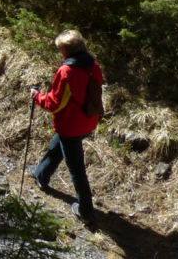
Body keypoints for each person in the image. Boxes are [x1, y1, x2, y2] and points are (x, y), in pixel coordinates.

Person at [29, 29, 103, 222]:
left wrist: (37, 96)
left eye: (60, 49)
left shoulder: (66, 71)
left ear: (66, 50)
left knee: (76, 168)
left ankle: (86, 210)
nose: (60, 52)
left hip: (70, 125)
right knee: (58, 146)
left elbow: (54, 103)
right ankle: (41, 175)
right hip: (89, 120)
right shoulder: (94, 66)